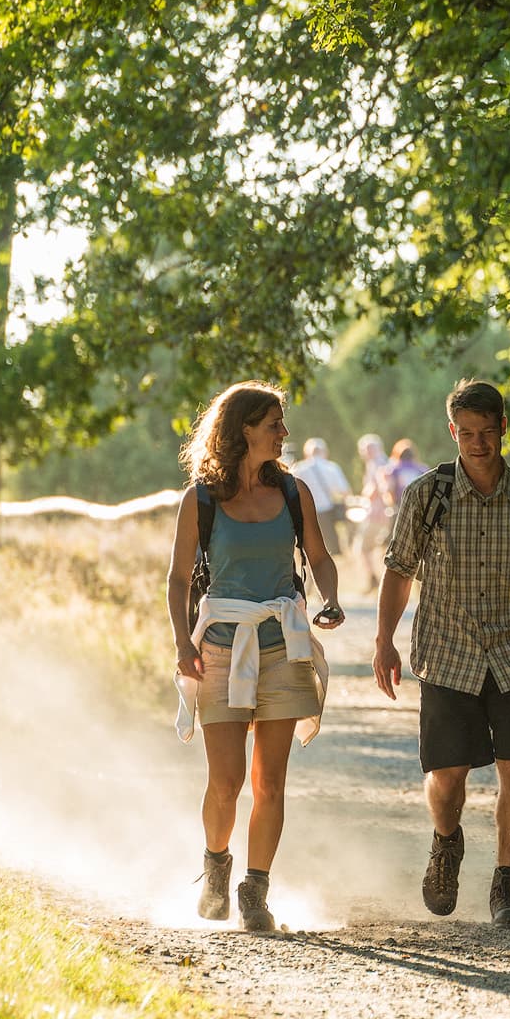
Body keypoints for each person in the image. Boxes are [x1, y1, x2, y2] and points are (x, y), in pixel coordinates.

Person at [373, 379, 510, 928]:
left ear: (503, 428)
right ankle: (446, 842)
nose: (479, 444)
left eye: (487, 432)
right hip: (447, 652)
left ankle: (508, 882)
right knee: (448, 775)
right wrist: (384, 641)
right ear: (453, 432)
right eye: (467, 434)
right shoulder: (428, 495)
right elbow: (398, 571)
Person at [166, 381, 346, 931]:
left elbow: (319, 556)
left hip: (283, 647)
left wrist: (331, 598)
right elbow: (177, 579)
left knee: (270, 782)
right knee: (226, 782)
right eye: (274, 424)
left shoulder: (293, 492)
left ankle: (255, 890)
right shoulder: (200, 499)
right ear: (244, 429)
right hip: (221, 648)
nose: (283, 433)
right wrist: (182, 644)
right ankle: (216, 866)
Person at [290, 437, 353, 558]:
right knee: (330, 549)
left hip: (305, 513)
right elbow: (345, 491)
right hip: (326, 511)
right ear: (324, 451)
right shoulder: (331, 467)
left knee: (309, 549)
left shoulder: (298, 468)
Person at [354, 433, 393, 592]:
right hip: (386, 513)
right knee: (381, 547)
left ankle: (375, 580)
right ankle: (380, 581)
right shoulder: (387, 461)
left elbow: (375, 489)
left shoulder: (376, 463)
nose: (364, 453)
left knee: (362, 547)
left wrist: (363, 496)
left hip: (376, 513)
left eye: (365, 450)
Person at [386, 438, 428, 508]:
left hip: (401, 504)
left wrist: (392, 502)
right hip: (418, 504)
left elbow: (390, 488)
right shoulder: (422, 469)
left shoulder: (394, 469)